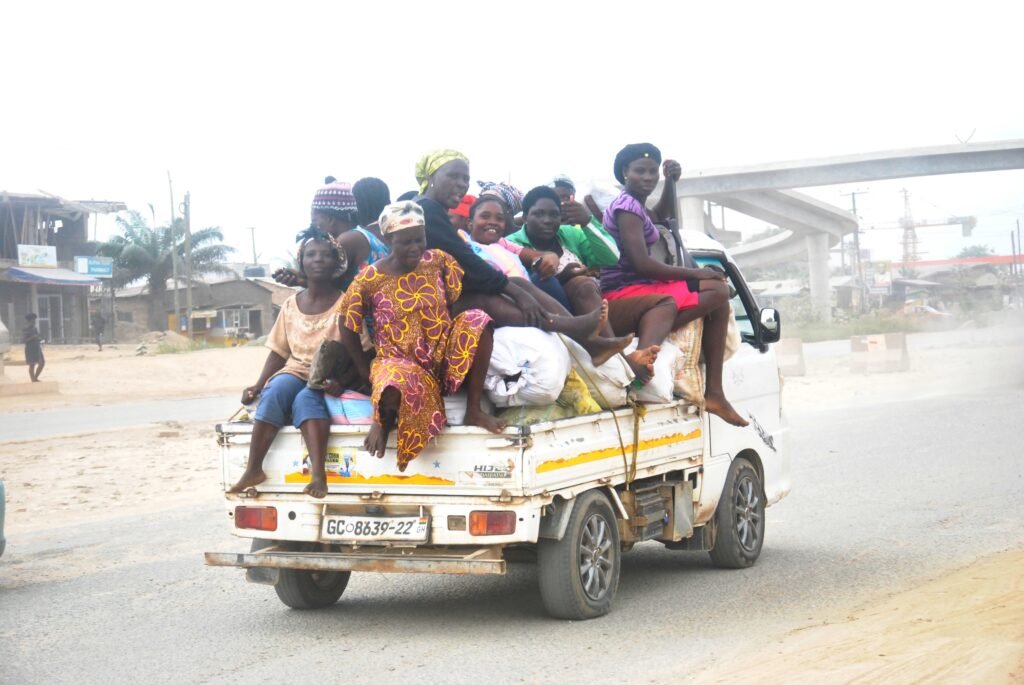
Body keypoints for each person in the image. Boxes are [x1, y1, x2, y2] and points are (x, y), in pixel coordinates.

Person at [414, 149, 630, 366]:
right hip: (429, 306)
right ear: (431, 177)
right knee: (487, 298)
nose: (461, 184)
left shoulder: (432, 210)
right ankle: (571, 327)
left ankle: (588, 339)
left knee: (516, 283)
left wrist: (520, 283)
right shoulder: (426, 210)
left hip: (443, 296)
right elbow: (465, 261)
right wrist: (517, 294)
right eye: (453, 176)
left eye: (466, 178)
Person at [339, 201, 506, 472]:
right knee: (392, 385)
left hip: (440, 356)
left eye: (420, 239)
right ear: (389, 239)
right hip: (399, 361)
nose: (415, 247)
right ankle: (381, 421)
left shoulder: (438, 261)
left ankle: (474, 409)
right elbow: (346, 324)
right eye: (406, 242)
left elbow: (452, 300)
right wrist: (363, 371)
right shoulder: (369, 279)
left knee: (478, 320)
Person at [602, 143, 747, 427]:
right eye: (639, 171)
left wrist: (670, 182)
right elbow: (640, 263)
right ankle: (654, 340)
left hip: (642, 287)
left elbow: (664, 216)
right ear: (624, 173)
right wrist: (694, 274)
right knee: (715, 289)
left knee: (719, 297)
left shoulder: (638, 206)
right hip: (623, 291)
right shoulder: (626, 208)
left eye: (652, 171)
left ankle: (715, 393)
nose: (647, 177)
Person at [228, 229, 348, 498]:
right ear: (301, 262)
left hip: (325, 374)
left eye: (325, 255)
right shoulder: (291, 305)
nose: (317, 260)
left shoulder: (345, 304)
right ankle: (253, 468)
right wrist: (258, 385)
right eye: (310, 255)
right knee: (276, 390)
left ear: (337, 264)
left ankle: (319, 475)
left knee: (306, 400)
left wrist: (344, 381)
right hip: (295, 369)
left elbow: (358, 351)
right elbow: (279, 352)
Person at [508, 185, 666, 377]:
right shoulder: (513, 243)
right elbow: (520, 285)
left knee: (665, 302)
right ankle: (624, 364)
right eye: (538, 214)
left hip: (593, 307)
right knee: (581, 283)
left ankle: (637, 353)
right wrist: (564, 276)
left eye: (554, 214)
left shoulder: (570, 234)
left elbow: (611, 256)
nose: (547, 220)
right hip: (553, 314)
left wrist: (587, 222)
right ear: (525, 217)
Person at [22, 313, 44, 382]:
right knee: (32, 364)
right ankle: (33, 379)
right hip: (30, 349)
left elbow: (37, 336)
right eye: (33, 319)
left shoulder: (35, 328)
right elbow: (23, 340)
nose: (34, 321)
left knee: (42, 363)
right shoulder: (26, 328)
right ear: (30, 320)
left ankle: (35, 377)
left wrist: (39, 339)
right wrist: (33, 337)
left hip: (37, 348)